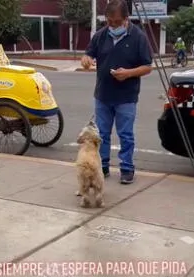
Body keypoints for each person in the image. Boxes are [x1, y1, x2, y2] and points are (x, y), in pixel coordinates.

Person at [81, 0, 152, 184]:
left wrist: (128, 73)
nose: (112, 25)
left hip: (126, 97)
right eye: (109, 21)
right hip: (103, 95)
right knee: (102, 134)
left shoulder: (138, 37)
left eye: (117, 22)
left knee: (126, 134)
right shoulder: (100, 35)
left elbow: (147, 66)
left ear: (126, 19)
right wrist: (86, 59)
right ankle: (102, 167)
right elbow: (89, 53)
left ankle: (127, 168)